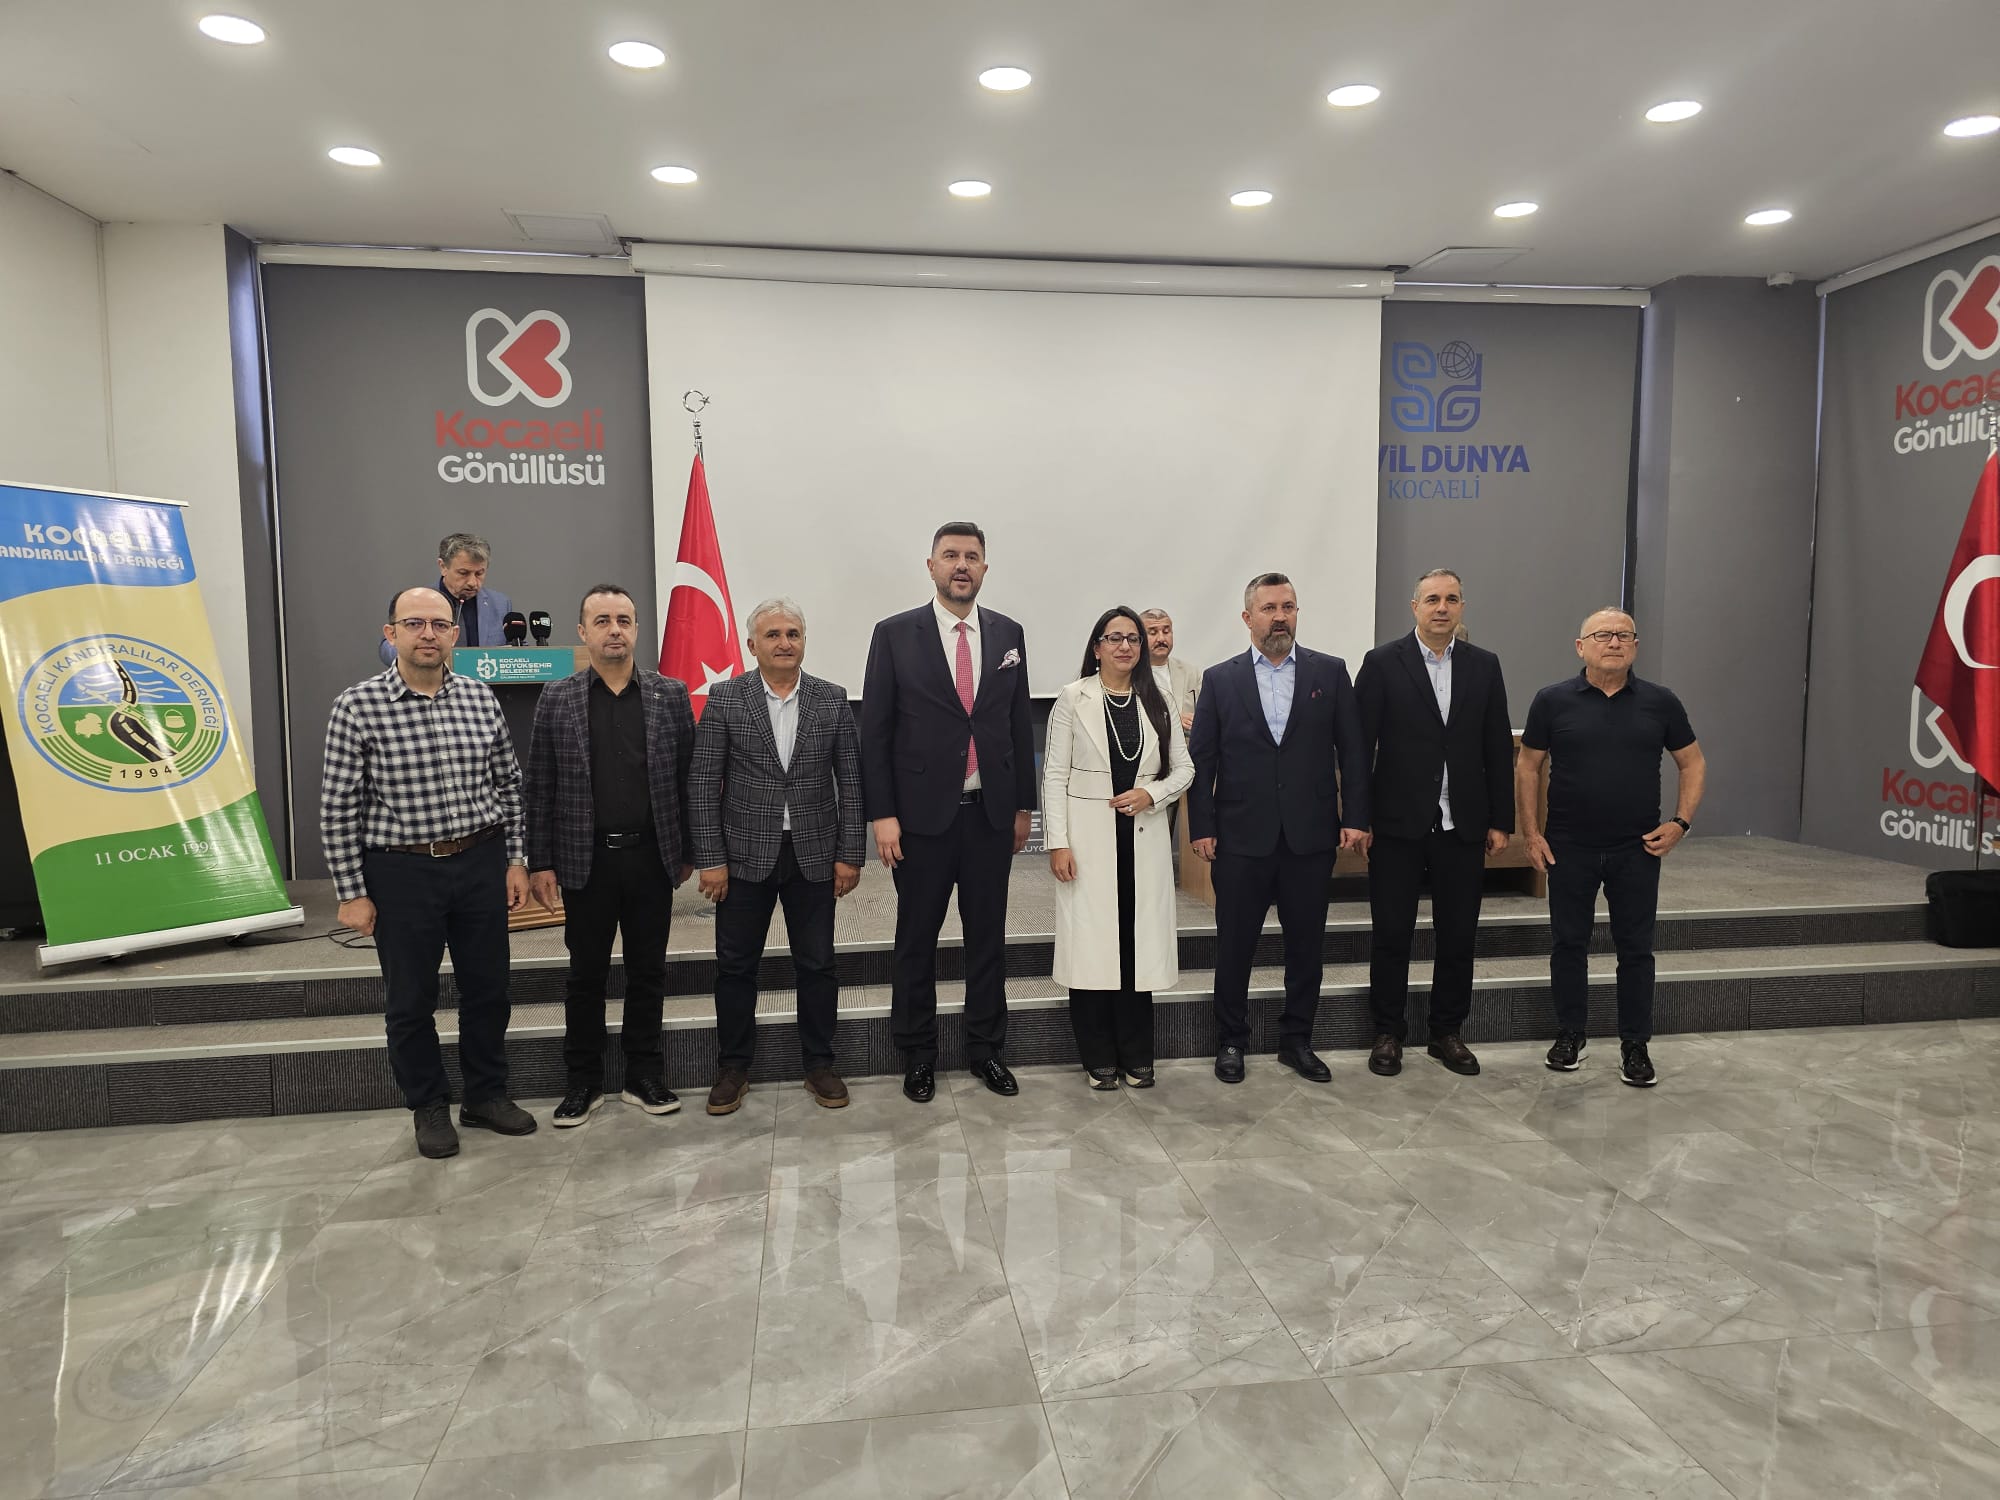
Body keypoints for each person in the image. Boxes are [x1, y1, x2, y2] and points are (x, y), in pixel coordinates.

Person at [322, 586, 535, 1159]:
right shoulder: (357, 706)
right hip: (401, 871)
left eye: (439, 625)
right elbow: (338, 806)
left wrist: (516, 860)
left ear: (454, 635)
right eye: (414, 623)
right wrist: (351, 892)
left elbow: (509, 786)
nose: (428, 634)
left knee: (488, 989)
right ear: (391, 633)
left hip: (480, 861)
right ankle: (429, 1103)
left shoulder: (479, 698)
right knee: (410, 999)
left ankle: (486, 1095)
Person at [861, 522, 1036, 1105]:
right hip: (919, 821)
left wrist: (1022, 805)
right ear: (931, 565)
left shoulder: (1008, 633)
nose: (962, 565)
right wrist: (882, 815)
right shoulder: (894, 634)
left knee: (988, 939)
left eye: (972, 556)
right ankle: (917, 1054)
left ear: (984, 568)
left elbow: (1016, 724)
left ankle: (986, 1049)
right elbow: (875, 731)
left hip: (989, 815)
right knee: (916, 940)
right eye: (951, 555)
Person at [1189, 573, 1370, 1084]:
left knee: (1306, 947)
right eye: (1269, 608)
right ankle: (1231, 1041)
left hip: (1310, 837)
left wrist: (1356, 817)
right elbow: (1202, 760)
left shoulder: (1330, 672)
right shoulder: (1220, 679)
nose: (1280, 617)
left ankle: (1297, 1041)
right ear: (1248, 618)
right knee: (1235, 946)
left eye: (1288, 607)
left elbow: (1353, 751)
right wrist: (1201, 826)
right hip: (1240, 837)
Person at [525, 584, 695, 1125]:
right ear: (583, 632)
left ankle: (644, 1075)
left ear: (637, 628)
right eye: (602, 621)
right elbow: (539, 785)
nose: (614, 630)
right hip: (586, 861)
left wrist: (689, 849)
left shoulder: (670, 694)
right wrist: (540, 861)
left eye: (624, 619)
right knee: (585, 976)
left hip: (651, 858)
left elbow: (688, 780)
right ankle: (583, 1081)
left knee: (648, 972)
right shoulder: (558, 697)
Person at [690, 598, 866, 1115]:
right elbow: (703, 783)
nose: (784, 643)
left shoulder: (832, 699)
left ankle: (819, 1064)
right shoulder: (726, 698)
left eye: (793, 633)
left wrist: (850, 854)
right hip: (743, 858)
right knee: (735, 967)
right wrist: (710, 858)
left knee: (817, 964)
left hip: (815, 855)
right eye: (773, 635)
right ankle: (733, 1068)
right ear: (752, 645)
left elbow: (852, 783)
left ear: (804, 641)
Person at [1517, 608, 1706, 1088]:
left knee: (1636, 949)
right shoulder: (1552, 700)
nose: (1614, 642)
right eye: (1602, 635)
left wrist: (1681, 823)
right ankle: (1570, 1035)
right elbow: (1528, 767)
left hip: (1637, 848)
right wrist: (1531, 834)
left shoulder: (1661, 702)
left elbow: (1692, 763)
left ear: (1636, 646)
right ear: (1580, 646)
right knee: (1568, 945)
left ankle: (1635, 1045)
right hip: (1568, 846)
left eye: (1624, 635)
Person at [1355, 568, 1515, 1078]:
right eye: (1432, 599)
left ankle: (1446, 1031)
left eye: (1451, 599)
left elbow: (1496, 745)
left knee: (1458, 935)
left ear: (1462, 606)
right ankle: (1388, 1032)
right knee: (1392, 934)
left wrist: (1501, 819)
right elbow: (1359, 747)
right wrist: (1358, 817)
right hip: (1396, 825)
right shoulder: (1382, 663)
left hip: (1461, 824)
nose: (1441, 607)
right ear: (1415, 607)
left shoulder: (1484, 665)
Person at [1045, 607, 1194, 1089]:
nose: (1125, 646)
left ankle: (1136, 1052)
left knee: (1136, 949)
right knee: (1092, 951)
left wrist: (1152, 794)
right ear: (1097, 648)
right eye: (1114, 638)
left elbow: (1185, 769)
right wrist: (1058, 843)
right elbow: (1054, 776)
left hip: (1143, 840)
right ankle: (1097, 1056)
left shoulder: (1159, 698)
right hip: (1088, 844)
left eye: (1133, 638)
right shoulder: (1073, 698)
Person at [377, 532, 513, 666]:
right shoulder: (415, 601)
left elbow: (515, 648)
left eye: (479, 573)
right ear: (443, 567)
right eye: (463, 573)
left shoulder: (500, 603)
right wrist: (421, 655)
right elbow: (387, 648)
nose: (472, 582)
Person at [1142, 608, 1202, 734]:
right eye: (1153, 633)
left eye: (1166, 631)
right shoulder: (1130, 674)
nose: (1161, 639)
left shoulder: (1190, 673)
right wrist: (1173, 722)